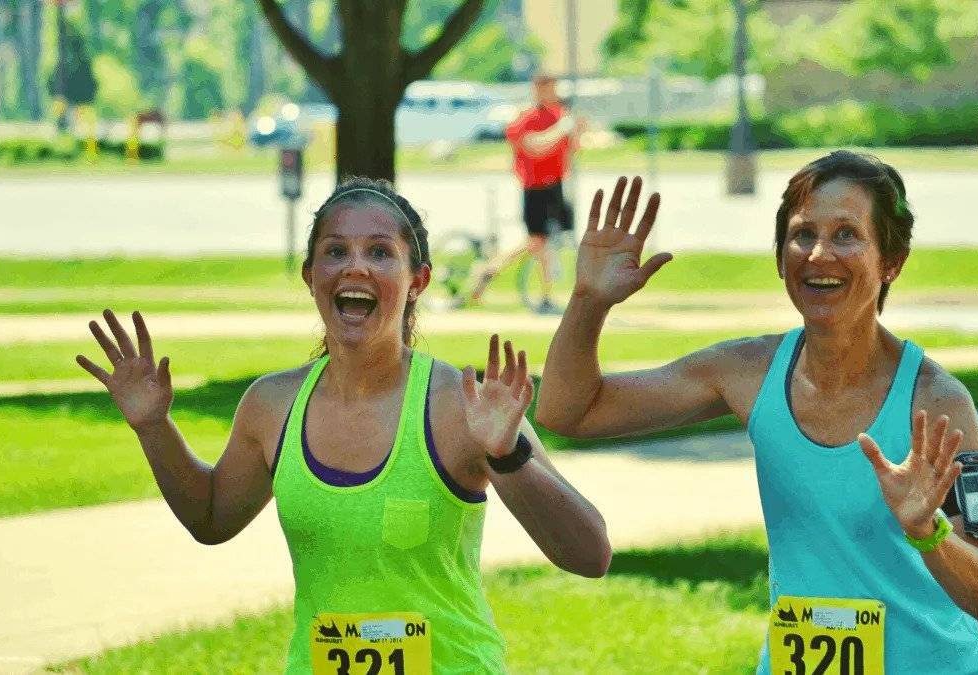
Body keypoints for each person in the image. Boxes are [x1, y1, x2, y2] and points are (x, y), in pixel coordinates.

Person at [76, 176, 611, 674]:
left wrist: (507, 455)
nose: (355, 268)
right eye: (336, 251)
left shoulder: (462, 405)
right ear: (311, 276)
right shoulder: (272, 405)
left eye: (380, 252)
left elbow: (589, 554)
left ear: (417, 280)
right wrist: (153, 426)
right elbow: (212, 518)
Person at [537, 156, 978, 674]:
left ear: (892, 261)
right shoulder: (748, 371)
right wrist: (589, 301)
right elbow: (569, 411)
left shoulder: (939, 403)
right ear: (779, 256)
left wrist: (929, 531)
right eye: (802, 234)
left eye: (846, 235)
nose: (819, 254)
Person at [487, 73, 585, 314]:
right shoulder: (526, 118)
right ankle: (495, 270)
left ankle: (497, 269)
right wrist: (561, 129)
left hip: (556, 186)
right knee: (537, 241)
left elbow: (573, 148)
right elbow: (533, 146)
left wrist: (576, 131)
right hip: (535, 188)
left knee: (549, 242)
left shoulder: (559, 116)